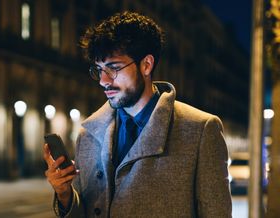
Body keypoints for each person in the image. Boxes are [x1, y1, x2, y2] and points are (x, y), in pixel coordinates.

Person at [43, 11, 232, 218]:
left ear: (146, 65)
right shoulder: (88, 135)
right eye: (99, 69)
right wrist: (64, 194)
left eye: (113, 68)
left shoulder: (200, 130)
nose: (103, 81)